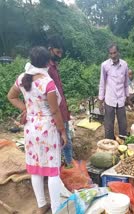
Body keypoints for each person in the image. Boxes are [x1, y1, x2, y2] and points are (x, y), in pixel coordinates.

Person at [7, 47, 66, 213]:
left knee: (36, 168)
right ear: (47, 62)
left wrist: (25, 108)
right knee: (53, 170)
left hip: (30, 128)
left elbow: (11, 96)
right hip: (48, 129)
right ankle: (56, 210)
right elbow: (55, 111)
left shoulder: (21, 78)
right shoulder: (47, 83)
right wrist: (62, 131)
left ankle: (41, 205)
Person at [47, 36, 73, 168]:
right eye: (58, 52)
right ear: (50, 50)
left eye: (61, 53)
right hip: (56, 112)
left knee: (65, 138)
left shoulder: (54, 66)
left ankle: (68, 165)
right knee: (63, 139)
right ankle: (68, 166)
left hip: (61, 109)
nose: (60, 55)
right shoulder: (47, 68)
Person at [98, 44, 129, 140]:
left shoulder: (124, 65)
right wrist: (100, 100)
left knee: (123, 123)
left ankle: (123, 143)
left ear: (118, 52)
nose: (113, 55)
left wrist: (127, 96)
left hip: (121, 99)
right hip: (109, 99)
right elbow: (102, 83)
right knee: (108, 125)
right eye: (111, 53)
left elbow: (126, 83)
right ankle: (109, 143)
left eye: (115, 53)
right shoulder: (104, 65)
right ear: (109, 54)